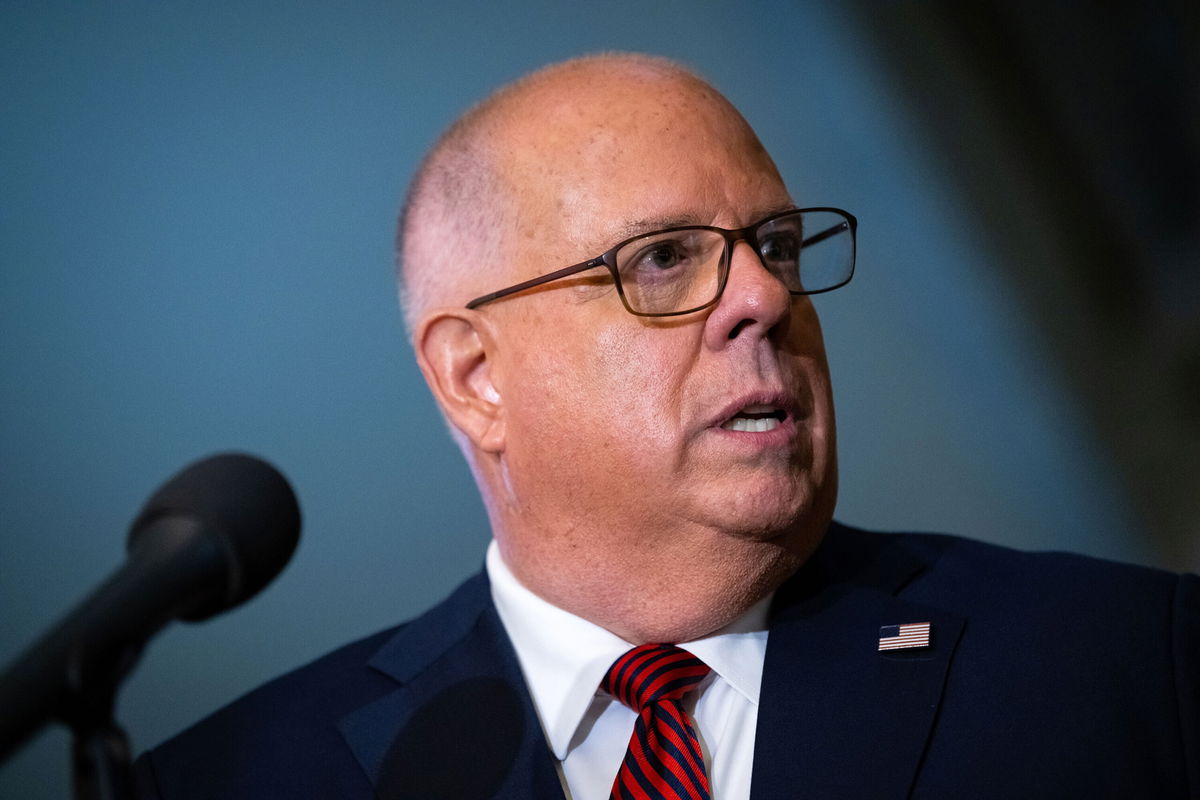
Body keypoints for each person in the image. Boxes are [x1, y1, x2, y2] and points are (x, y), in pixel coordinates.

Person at [133, 53, 1198, 799]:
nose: (765, 298)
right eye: (663, 259)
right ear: (474, 376)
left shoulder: (1123, 662)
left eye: (774, 244)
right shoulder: (231, 781)